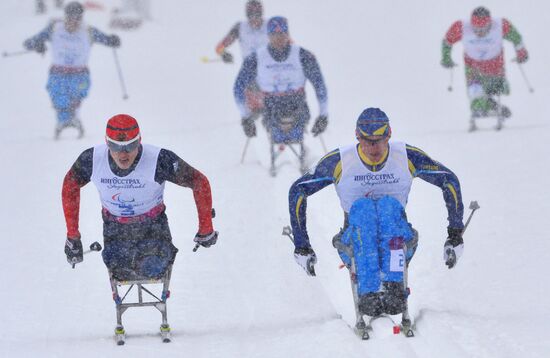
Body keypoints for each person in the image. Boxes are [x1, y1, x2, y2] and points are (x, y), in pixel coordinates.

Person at [288, 107, 465, 317]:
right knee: (363, 209)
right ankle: (368, 293)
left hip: (398, 238)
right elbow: (298, 190)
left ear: (389, 134)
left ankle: (393, 287)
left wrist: (454, 235)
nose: (374, 147)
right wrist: (302, 246)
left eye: (379, 140)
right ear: (357, 136)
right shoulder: (340, 161)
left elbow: (449, 180)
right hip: (355, 241)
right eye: (367, 141)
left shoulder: (406, 156)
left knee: (388, 207)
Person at [62, 114, 218, 280]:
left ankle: (152, 260)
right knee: (121, 273)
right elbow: (69, 186)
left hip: (153, 228)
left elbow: (199, 182)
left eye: (131, 146)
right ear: (107, 143)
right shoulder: (92, 159)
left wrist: (205, 226)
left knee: (152, 268)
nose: (123, 154)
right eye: (116, 146)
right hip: (115, 229)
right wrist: (73, 235)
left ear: (140, 141)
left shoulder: (159, 160)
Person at [23, 1, 121, 139]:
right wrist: (37, 45)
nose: (74, 22)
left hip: (80, 74)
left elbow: (106, 39)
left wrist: (112, 40)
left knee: (76, 96)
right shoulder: (54, 29)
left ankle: (72, 120)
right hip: (58, 73)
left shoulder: (89, 31)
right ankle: (64, 122)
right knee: (59, 97)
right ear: (65, 17)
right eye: (70, 18)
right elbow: (29, 42)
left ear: (81, 18)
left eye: (77, 18)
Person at [234, 16, 328, 143]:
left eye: (282, 33)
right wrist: (246, 118)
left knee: (296, 134)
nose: (279, 38)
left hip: (296, 102)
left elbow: (319, 85)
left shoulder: (303, 55)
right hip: (271, 104)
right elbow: (238, 87)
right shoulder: (256, 58)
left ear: (288, 34)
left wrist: (323, 115)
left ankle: (299, 150)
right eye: (274, 34)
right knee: (277, 136)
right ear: (268, 35)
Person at [441, 6, 529, 131]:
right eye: (476, 29)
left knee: (496, 87)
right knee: (475, 92)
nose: (480, 32)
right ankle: (486, 106)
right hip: (473, 67)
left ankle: (490, 104)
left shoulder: (501, 25)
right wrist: (446, 58)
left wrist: (522, 53)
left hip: (495, 65)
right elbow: (447, 42)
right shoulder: (461, 27)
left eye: (484, 28)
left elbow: (517, 39)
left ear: (490, 23)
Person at [216, 0, 269, 119]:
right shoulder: (240, 27)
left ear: (262, 14)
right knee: (244, 88)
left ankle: (273, 109)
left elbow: (288, 43)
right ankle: (250, 114)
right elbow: (219, 47)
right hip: (249, 67)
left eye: (257, 16)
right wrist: (224, 54)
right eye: (251, 16)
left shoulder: (270, 25)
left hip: (268, 65)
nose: (254, 20)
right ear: (247, 16)